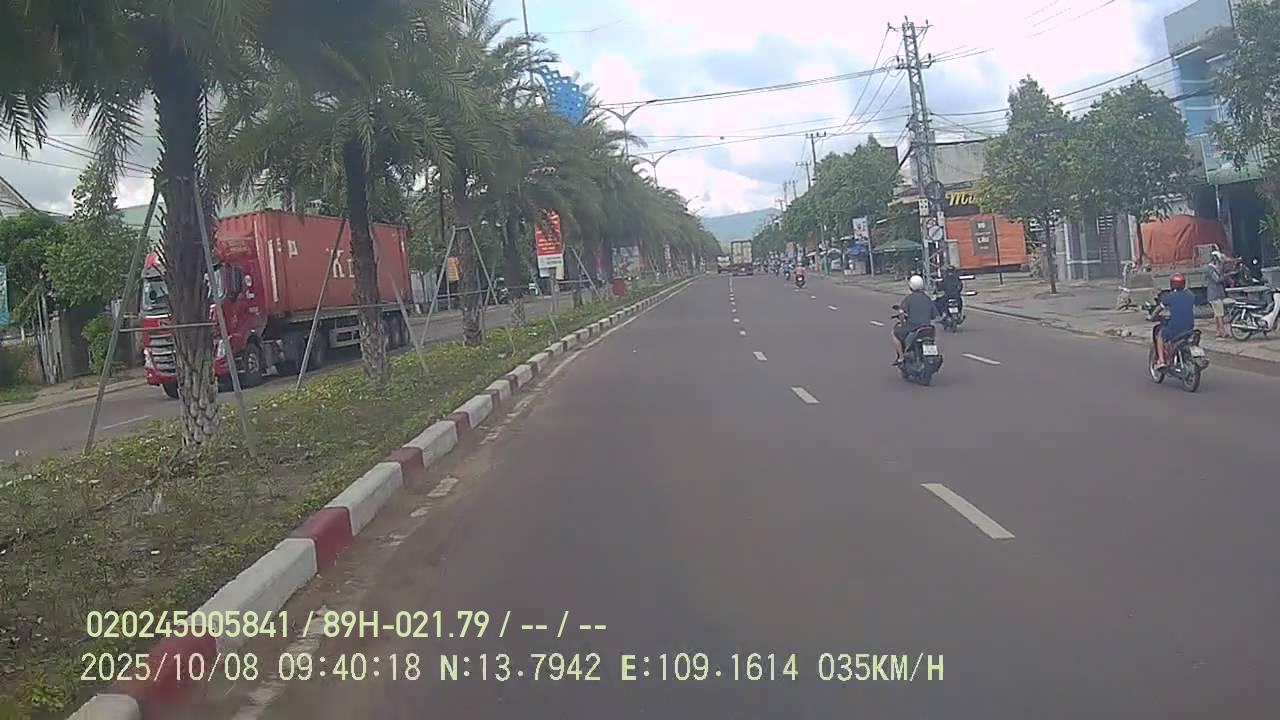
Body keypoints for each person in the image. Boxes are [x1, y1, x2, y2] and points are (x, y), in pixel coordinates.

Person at [893, 274, 937, 365]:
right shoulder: (927, 298)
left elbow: (902, 313)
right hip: (928, 329)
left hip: (913, 328)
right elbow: (934, 315)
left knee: (895, 333)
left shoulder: (909, 299)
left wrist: (902, 319)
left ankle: (901, 357)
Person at [1154, 273, 1195, 369]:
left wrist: (1152, 316)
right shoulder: (1190, 295)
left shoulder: (1170, 297)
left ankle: (1161, 361)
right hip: (1189, 328)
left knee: (1160, 335)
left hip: (1175, 329)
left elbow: (1159, 309)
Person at [1206, 250, 1228, 338]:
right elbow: (1217, 279)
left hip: (1215, 294)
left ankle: (1218, 331)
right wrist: (1225, 276)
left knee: (1217, 314)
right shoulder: (1210, 269)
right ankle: (1222, 331)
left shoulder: (1212, 268)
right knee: (1220, 314)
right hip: (1215, 294)